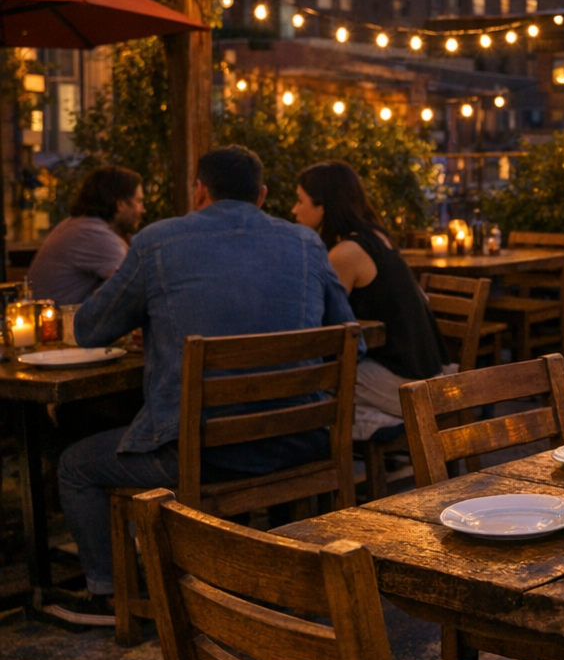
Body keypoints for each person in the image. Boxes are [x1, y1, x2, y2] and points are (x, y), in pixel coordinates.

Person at [47, 147, 354, 627]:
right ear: (262, 195)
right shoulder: (305, 243)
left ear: (200, 191)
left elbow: (89, 329)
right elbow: (343, 328)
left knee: (74, 466)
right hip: (304, 440)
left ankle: (108, 597)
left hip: (205, 454)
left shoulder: (156, 242)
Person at [292, 161, 450, 441]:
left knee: (309, 379)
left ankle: (374, 426)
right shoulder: (377, 237)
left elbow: (318, 321)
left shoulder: (346, 253)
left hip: (406, 384)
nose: (293, 209)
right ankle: (373, 423)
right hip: (428, 370)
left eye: (299, 200)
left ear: (324, 206)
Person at [27, 166, 144, 305]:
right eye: (139, 201)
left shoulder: (80, 226)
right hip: (57, 324)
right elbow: (137, 289)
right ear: (120, 204)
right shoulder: (93, 234)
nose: (143, 210)